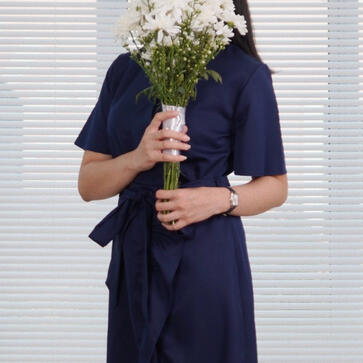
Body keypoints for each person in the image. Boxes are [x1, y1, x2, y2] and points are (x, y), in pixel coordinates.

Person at [74, 1, 288, 362]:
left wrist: (220, 199)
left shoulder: (245, 73)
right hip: (135, 256)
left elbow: (275, 186)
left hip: (205, 258)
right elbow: (88, 183)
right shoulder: (126, 69)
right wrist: (137, 158)